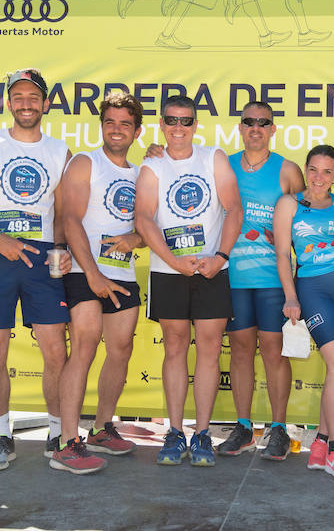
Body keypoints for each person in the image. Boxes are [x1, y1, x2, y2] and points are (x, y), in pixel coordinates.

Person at [0, 68, 72, 471]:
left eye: (33, 96)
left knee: (55, 347)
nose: (26, 103)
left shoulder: (60, 151)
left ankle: (57, 433)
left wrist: (60, 248)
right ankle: (2, 435)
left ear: (46, 103)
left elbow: (64, 212)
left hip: (43, 258)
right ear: (9, 102)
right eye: (18, 96)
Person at [134, 95, 243, 466]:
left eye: (186, 121)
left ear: (195, 125)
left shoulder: (213, 157)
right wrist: (172, 261)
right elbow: (144, 218)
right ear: (161, 125)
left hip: (212, 270)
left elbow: (234, 209)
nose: (178, 127)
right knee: (175, 349)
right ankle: (175, 432)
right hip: (169, 272)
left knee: (210, 351)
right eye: (171, 120)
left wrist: (221, 257)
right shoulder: (152, 165)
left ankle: (202, 434)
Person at [52, 92, 145, 474]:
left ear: (137, 130)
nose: (117, 129)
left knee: (120, 349)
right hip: (83, 272)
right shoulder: (84, 162)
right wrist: (91, 272)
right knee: (85, 346)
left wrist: (136, 240)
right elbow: (70, 218)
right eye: (110, 122)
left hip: (122, 273)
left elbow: (148, 226)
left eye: (125, 123)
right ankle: (66, 442)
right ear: (102, 126)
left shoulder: (142, 173)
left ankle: (103, 428)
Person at [274, 144, 334, 479]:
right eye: (313, 169)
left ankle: (321, 442)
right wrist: (291, 297)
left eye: (327, 171)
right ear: (306, 169)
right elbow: (283, 254)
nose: (318, 177)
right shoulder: (290, 204)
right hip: (314, 291)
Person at [218, 102, 305, 460]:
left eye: (263, 122)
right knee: (240, 350)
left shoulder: (287, 170)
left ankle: (280, 428)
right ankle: (243, 427)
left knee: (272, 351)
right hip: (233, 275)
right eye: (249, 122)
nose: (256, 127)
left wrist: (286, 236)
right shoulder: (223, 164)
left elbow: (306, 218)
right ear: (240, 127)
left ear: (272, 129)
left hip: (273, 278)